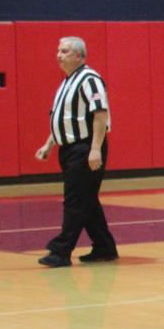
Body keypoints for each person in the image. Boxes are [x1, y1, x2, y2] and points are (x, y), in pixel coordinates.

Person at [37, 36, 117, 267]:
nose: (59, 55)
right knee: (87, 199)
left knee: (74, 199)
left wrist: (95, 150)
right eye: (58, 50)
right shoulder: (67, 82)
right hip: (70, 149)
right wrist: (48, 145)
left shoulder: (89, 80)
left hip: (85, 148)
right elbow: (63, 119)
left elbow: (100, 114)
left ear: (79, 56)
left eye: (64, 51)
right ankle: (104, 247)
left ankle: (61, 251)